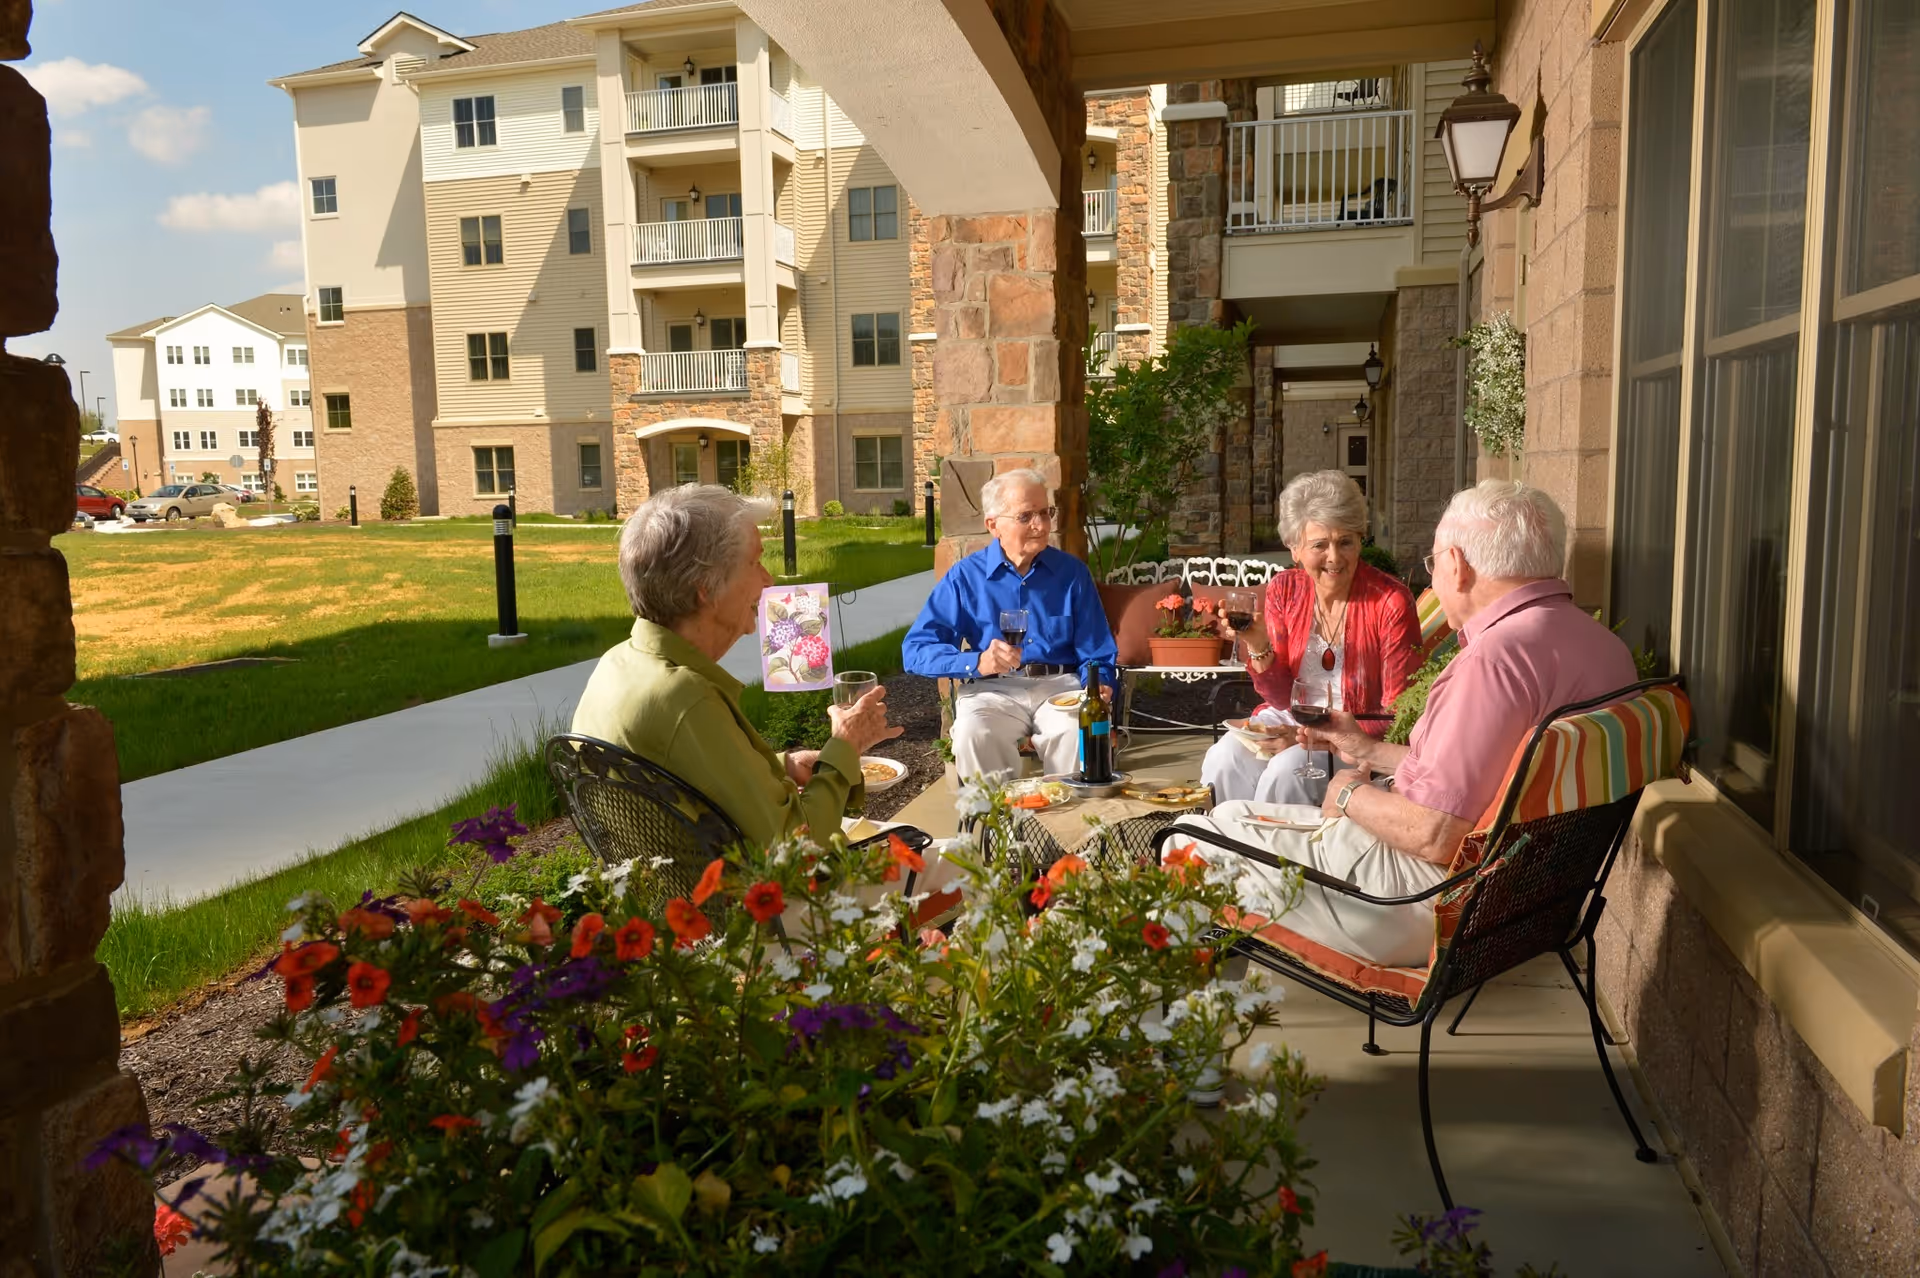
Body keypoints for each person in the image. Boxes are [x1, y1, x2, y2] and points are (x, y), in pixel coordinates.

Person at [1166, 479, 1638, 967]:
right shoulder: (1604, 648)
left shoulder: (1493, 662)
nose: (1433, 580)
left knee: (1186, 836)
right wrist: (1365, 750)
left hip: (1412, 901)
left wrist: (1349, 795)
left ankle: (1206, 1000)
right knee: (1223, 815)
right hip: (1517, 899)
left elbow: (1435, 835)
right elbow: (1475, 772)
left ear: (1457, 566)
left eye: (1434, 564)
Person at [571, 484, 901, 849]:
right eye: (754, 562)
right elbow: (797, 849)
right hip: (739, 902)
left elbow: (691, 783)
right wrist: (847, 743)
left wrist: (783, 767)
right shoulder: (684, 697)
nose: (768, 579)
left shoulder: (618, 662)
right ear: (705, 589)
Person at [1201, 470, 1421, 805]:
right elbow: (1278, 698)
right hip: (1292, 717)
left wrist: (1315, 737)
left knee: (1288, 769)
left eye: (1346, 541)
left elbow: (1397, 717)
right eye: (1320, 545)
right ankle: (1225, 852)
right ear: (1295, 549)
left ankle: (1279, 857)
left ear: (1360, 539)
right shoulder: (1284, 589)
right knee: (1224, 757)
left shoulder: (1390, 601)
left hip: (1355, 734)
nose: (1335, 557)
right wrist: (1258, 644)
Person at [902, 468, 1118, 781]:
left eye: (1045, 513)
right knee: (973, 733)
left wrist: (1100, 685)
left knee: (1078, 729)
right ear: (993, 525)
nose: (1041, 525)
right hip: (993, 689)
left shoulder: (1072, 574)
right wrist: (977, 661)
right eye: (1026, 516)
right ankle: (1000, 825)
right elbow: (915, 651)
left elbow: (1096, 650)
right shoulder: (965, 578)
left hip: (1059, 689)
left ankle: (1069, 827)